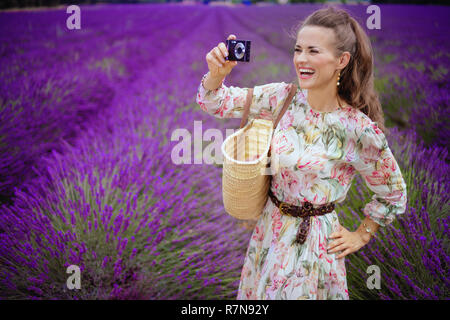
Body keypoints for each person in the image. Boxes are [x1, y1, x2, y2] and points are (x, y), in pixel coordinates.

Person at [195, 6, 407, 300]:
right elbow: (215, 103)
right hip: (269, 231)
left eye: (313, 51)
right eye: (298, 49)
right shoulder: (284, 97)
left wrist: (362, 233)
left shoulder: (357, 129)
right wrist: (216, 74)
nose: (302, 59)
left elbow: (393, 192)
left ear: (341, 60)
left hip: (313, 245)